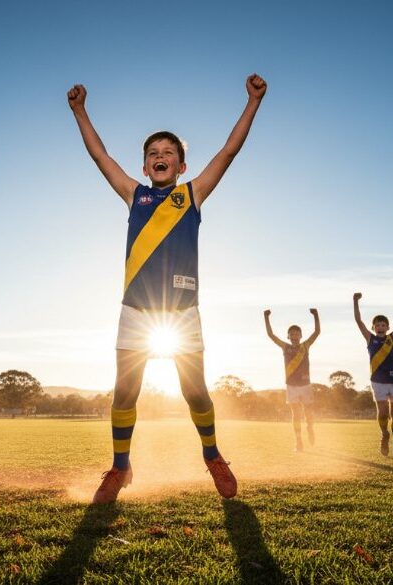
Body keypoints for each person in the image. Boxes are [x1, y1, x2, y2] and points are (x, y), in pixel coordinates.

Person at [67, 74, 267, 503]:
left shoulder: (191, 195)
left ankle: (213, 456)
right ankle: (120, 468)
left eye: (169, 153)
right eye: (153, 154)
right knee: (125, 391)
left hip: (181, 315)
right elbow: (99, 155)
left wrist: (252, 102)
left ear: (181, 166)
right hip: (136, 312)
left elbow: (229, 151)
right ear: (144, 166)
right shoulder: (133, 194)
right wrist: (80, 112)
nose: (161, 157)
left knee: (195, 391)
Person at [353, 293, 393, 458]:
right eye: (377, 325)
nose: (380, 327)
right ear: (373, 328)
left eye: (383, 324)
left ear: (387, 327)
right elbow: (358, 321)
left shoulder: (392, 337)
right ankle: (384, 435)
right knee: (383, 412)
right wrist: (355, 301)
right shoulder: (370, 339)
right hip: (378, 381)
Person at [264, 308, 321, 451]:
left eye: (297, 333)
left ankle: (310, 428)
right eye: (292, 334)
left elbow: (317, 332)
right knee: (295, 415)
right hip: (291, 386)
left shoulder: (305, 345)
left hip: (305, 385)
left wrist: (315, 315)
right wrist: (266, 317)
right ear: (288, 336)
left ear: (301, 335)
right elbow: (271, 335)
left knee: (308, 414)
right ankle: (298, 441)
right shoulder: (285, 347)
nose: (294, 335)